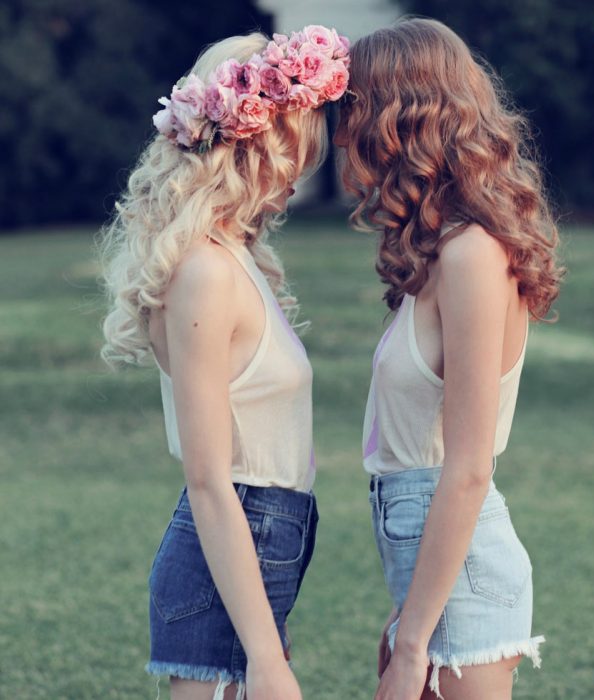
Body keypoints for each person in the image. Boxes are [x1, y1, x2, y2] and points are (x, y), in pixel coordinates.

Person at [98, 26, 350, 700]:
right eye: (299, 147)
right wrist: (266, 657)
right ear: (260, 142)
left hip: (259, 538)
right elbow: (209, 479)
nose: (304, 169)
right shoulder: (206, 273)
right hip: (234, 535)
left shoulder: (231, 257)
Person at [334, 17, 563, 700]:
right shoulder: (438, 253)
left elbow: (465, 469)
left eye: (353, 113)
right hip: (433, 565)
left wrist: (412, 647)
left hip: (463, 567)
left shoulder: (472, 256)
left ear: (397, 120)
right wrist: (408, 610)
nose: (341, 136)